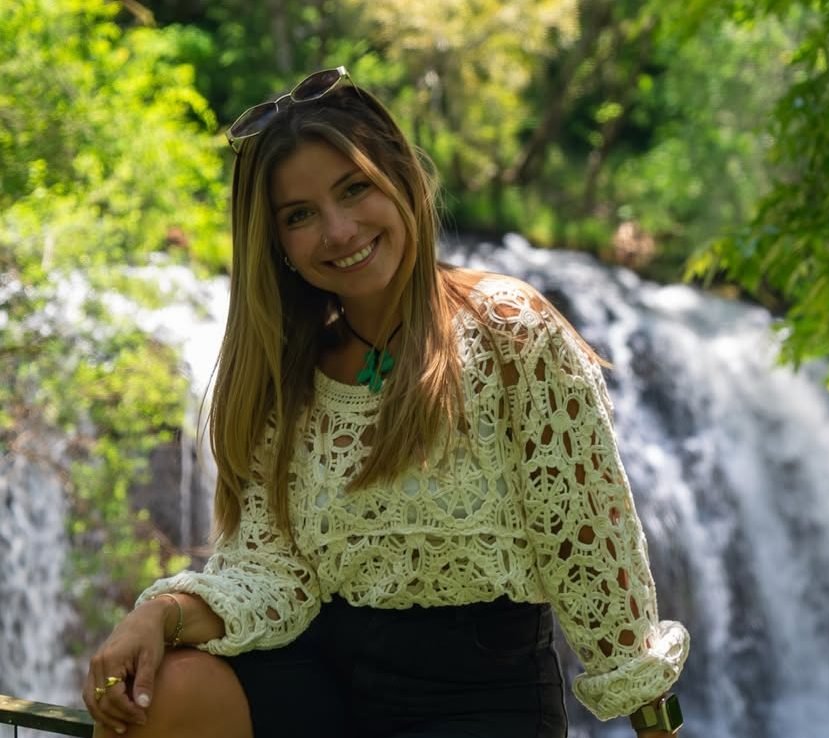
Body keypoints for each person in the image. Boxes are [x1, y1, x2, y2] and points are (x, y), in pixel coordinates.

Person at [82, 66, 689, 738]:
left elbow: (591, 555)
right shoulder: (289, 372)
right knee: (159, 695)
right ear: (276, 244)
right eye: (300, 215)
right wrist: (159, 614)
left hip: (478, 696)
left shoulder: (509, 331)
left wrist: (653, 718)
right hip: (319, 679)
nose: (339, 231)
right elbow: (271, 573)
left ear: (401, 177)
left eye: (355, 188)